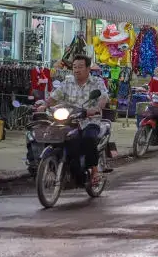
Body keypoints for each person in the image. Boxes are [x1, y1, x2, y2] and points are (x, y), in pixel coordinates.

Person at [37, 54, 109, 184]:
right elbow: (55, 96)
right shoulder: (68, 82)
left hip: (89, 121)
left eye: (80, 67)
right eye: (75, 67)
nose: (76, 70)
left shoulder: (97, 82)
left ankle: (94, 171)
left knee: (88, 138)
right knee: (52, 134)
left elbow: (103, 97)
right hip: (69, 120)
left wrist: (96, 108)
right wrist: (45, 105)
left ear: (88, 69)